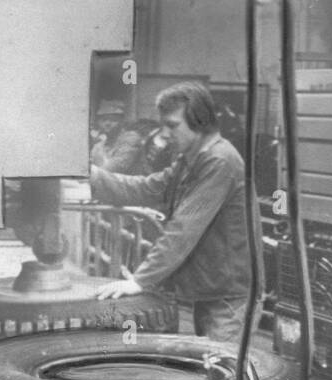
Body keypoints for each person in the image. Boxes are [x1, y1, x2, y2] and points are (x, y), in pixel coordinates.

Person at [89, 81, 257, 344]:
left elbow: (183, 228)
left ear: (199, 121)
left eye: (172, 125)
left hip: (229, 298)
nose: (164, 133)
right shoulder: (190, 160)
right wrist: (91, 176)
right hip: (212, 290)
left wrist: (141, 280)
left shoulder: (219, 161)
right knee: (209, 366)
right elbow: (145, 188)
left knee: (221, 369)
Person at [90, 99, 146, 175]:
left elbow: (116, 166)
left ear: (122, 121)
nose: (107, 123)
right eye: (103, 120)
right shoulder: (98, 147)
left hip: (129, 185)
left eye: (112, 119)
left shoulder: (131, 139)